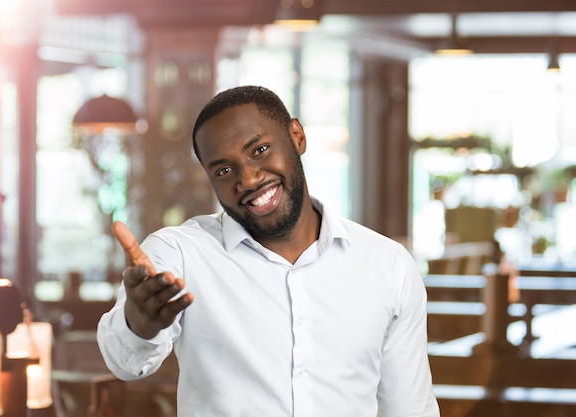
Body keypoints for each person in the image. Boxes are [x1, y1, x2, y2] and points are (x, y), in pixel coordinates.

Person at [97, 85, 440, 417]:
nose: (248, 179)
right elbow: (125, 363)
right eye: (224, 170)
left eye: (259, 150)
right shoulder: (180, 253)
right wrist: (139, 325)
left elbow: (409, 409)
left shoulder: (388, 265)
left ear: (297, 137)